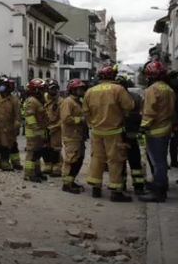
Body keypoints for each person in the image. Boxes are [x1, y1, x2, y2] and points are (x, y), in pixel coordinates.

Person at [83, 64, 135, 201]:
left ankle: (96, 188)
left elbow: (85, 111)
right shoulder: (118, 89)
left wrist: (92, 123)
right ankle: (116, 191)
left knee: (97, 158)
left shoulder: (90, 91)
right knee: (115, 160)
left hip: (97, 131)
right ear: (113, 76)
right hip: (114, 131)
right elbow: (130, 105)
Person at [138, 60, 177, 203]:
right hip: (165, 128)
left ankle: (158, 192)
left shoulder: (152, 89)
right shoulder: (169, 88)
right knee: (161, 161)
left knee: (158, 163)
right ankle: (160, 187)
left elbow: (149, 111)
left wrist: (143, 126)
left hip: (155, 131)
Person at [119, 75, 147, 195]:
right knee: (135, 162)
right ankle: (138, 187)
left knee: (121, 162)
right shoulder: (136, 97)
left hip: (121, 135)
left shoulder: (115, 97)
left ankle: (122, 185)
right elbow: (142, 113)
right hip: (133, 135)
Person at [60, 79, 87, 193]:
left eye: (82, 88)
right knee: (71, 159)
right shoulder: (68, 102)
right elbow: (66, 119)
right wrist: (80, 120)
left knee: (79, 159)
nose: (82, 90)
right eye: (79, 88)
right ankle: (66, 184)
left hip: (79, 136)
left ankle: (71, 181)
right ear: (73, 90)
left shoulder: (78, 102)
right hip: (71, 135)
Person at [23, 78, 51, 183]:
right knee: (31, 153)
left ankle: (37, 171)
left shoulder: (38, 100)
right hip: (33, 132)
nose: (43, 92)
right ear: (35, 90)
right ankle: (29, 174)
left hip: (39, 131)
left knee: (37, 153)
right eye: (41, 90)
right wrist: (36, 129)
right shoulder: (31, 101)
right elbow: (30, 116)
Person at [43, 80, 64, 177]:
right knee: (46, 148)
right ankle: (48, 165)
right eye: (52, 88)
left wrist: (55, 127)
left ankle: (57, 167)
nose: (53, 90)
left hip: (56, 129)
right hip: (45, 128)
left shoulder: (61, 102)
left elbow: (63, 117)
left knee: (56, 149)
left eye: (55, 88)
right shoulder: (44, 99)